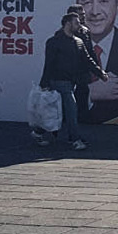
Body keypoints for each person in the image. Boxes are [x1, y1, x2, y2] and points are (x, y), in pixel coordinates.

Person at [38, 13, 108, 150]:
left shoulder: (78, 42)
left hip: (71, 81)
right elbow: (49, 64)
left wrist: (100, 73)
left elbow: (88, 61)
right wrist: (44, 83)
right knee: (71, 109)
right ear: (68, 24)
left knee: (56, 111)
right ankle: (75, 139)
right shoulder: (54, 42)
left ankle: (38, 132)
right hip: (58, 81)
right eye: (76, 23)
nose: (80, 26)